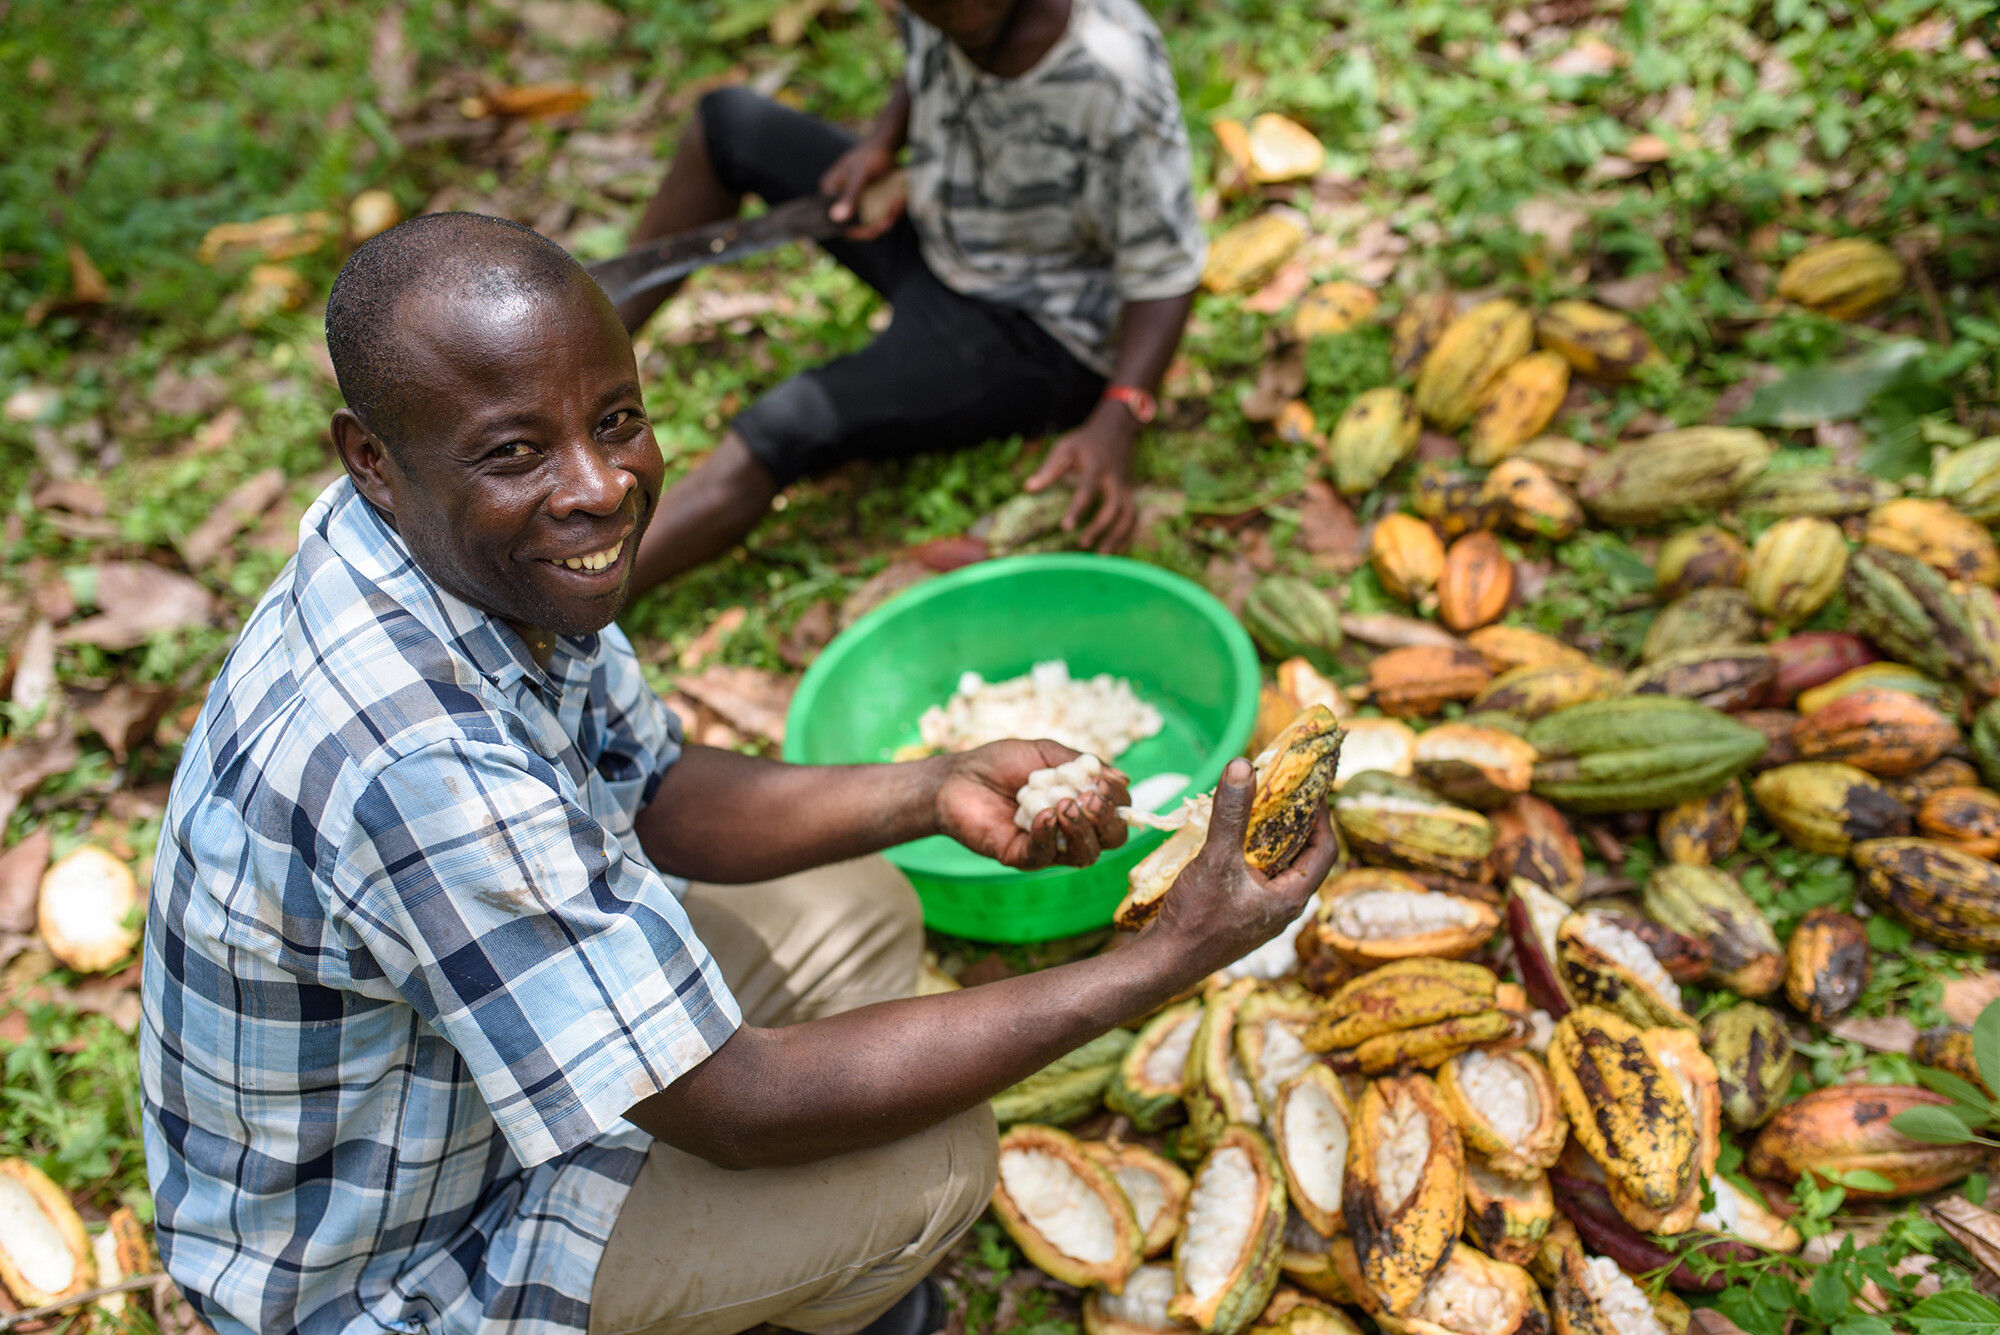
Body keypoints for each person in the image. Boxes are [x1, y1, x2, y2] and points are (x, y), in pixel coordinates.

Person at [139, 213, 1333, 1335]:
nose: (600, 487)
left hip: (469, 1098)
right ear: (371, 457)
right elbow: (739, 1109)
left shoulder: (462, 549)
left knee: (856, 904)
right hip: (397, 1262)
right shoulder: (414, 755)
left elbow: (656, 790)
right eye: (515, 451)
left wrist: (934, 787)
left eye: (615, 420)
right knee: (933, 1165)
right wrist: (1161, 959)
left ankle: (779, 1278)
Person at [616, 0, 1206, 591]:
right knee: (728, 123)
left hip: (1034, 326)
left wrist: (1119, 415)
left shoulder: (1113, 76)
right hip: (940, 227)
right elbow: (930, 57)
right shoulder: (946, 13)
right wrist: (881, 141)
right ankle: (588, 352)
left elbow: (1169, 272)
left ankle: (580, 591)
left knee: (788, 422)